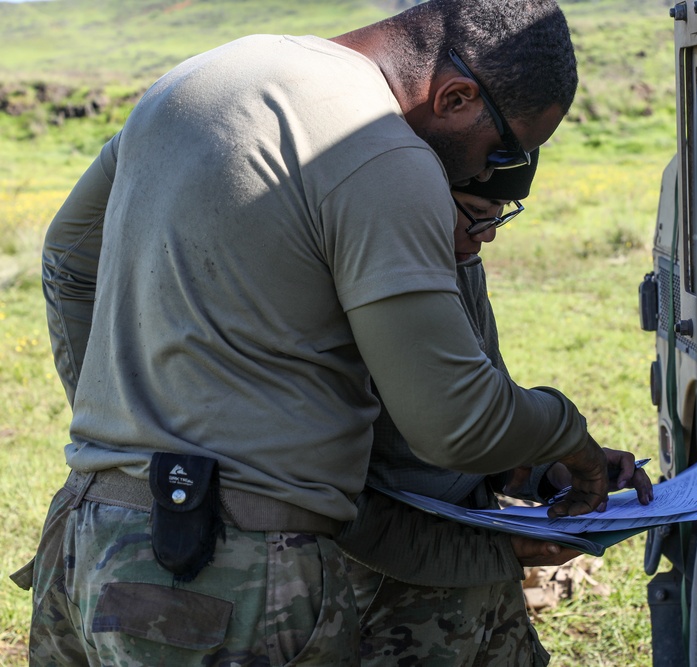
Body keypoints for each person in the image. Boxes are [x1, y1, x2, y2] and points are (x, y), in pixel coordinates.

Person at [19, 1, 640, 665]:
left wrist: (124, 432)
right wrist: (569, 436)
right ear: (457, 96)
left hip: (88, 537)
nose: (488, 174)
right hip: (234, 577)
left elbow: (68, 256)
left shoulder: (199, 79)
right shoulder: (380, 148)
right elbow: (451, 420)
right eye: (503, 150)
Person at [338, 151, 653, 666]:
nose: (487, 234)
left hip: (480, 568)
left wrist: (550, 473)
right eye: (474, 213)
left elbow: (484, 410)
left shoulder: (460, 262)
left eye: (499, 216)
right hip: (393, 575)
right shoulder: (372, 269)